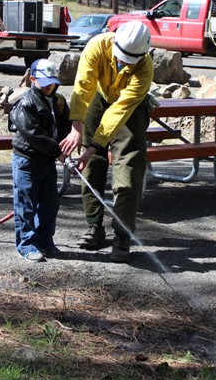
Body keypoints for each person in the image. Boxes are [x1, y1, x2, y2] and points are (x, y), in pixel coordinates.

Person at [61, 21, 154, 263]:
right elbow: (83, 87)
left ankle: (122, 236)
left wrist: (95, 144)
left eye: (130, 61)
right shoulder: (96, 46)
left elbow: (120, 110)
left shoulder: (144, 69)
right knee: (90, 165)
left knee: (129, 169)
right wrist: (76, 126)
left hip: (129, 109)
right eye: (121, 57)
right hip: (98, 97)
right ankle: (94, 226)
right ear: (114, 42)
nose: (124, 63)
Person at [8, 59, 72, 262]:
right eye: (44, 82)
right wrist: (57, 151)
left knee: (49, 205)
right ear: (33, 79)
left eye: (52, 82)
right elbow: (33, 134)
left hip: (47, 162)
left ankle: (46, 241)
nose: (49, 86)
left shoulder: (59, 102)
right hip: (27, 161)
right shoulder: (26, 103)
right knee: (26, 204)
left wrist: (64, 146)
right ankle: (27, 244)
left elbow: (65, 127)